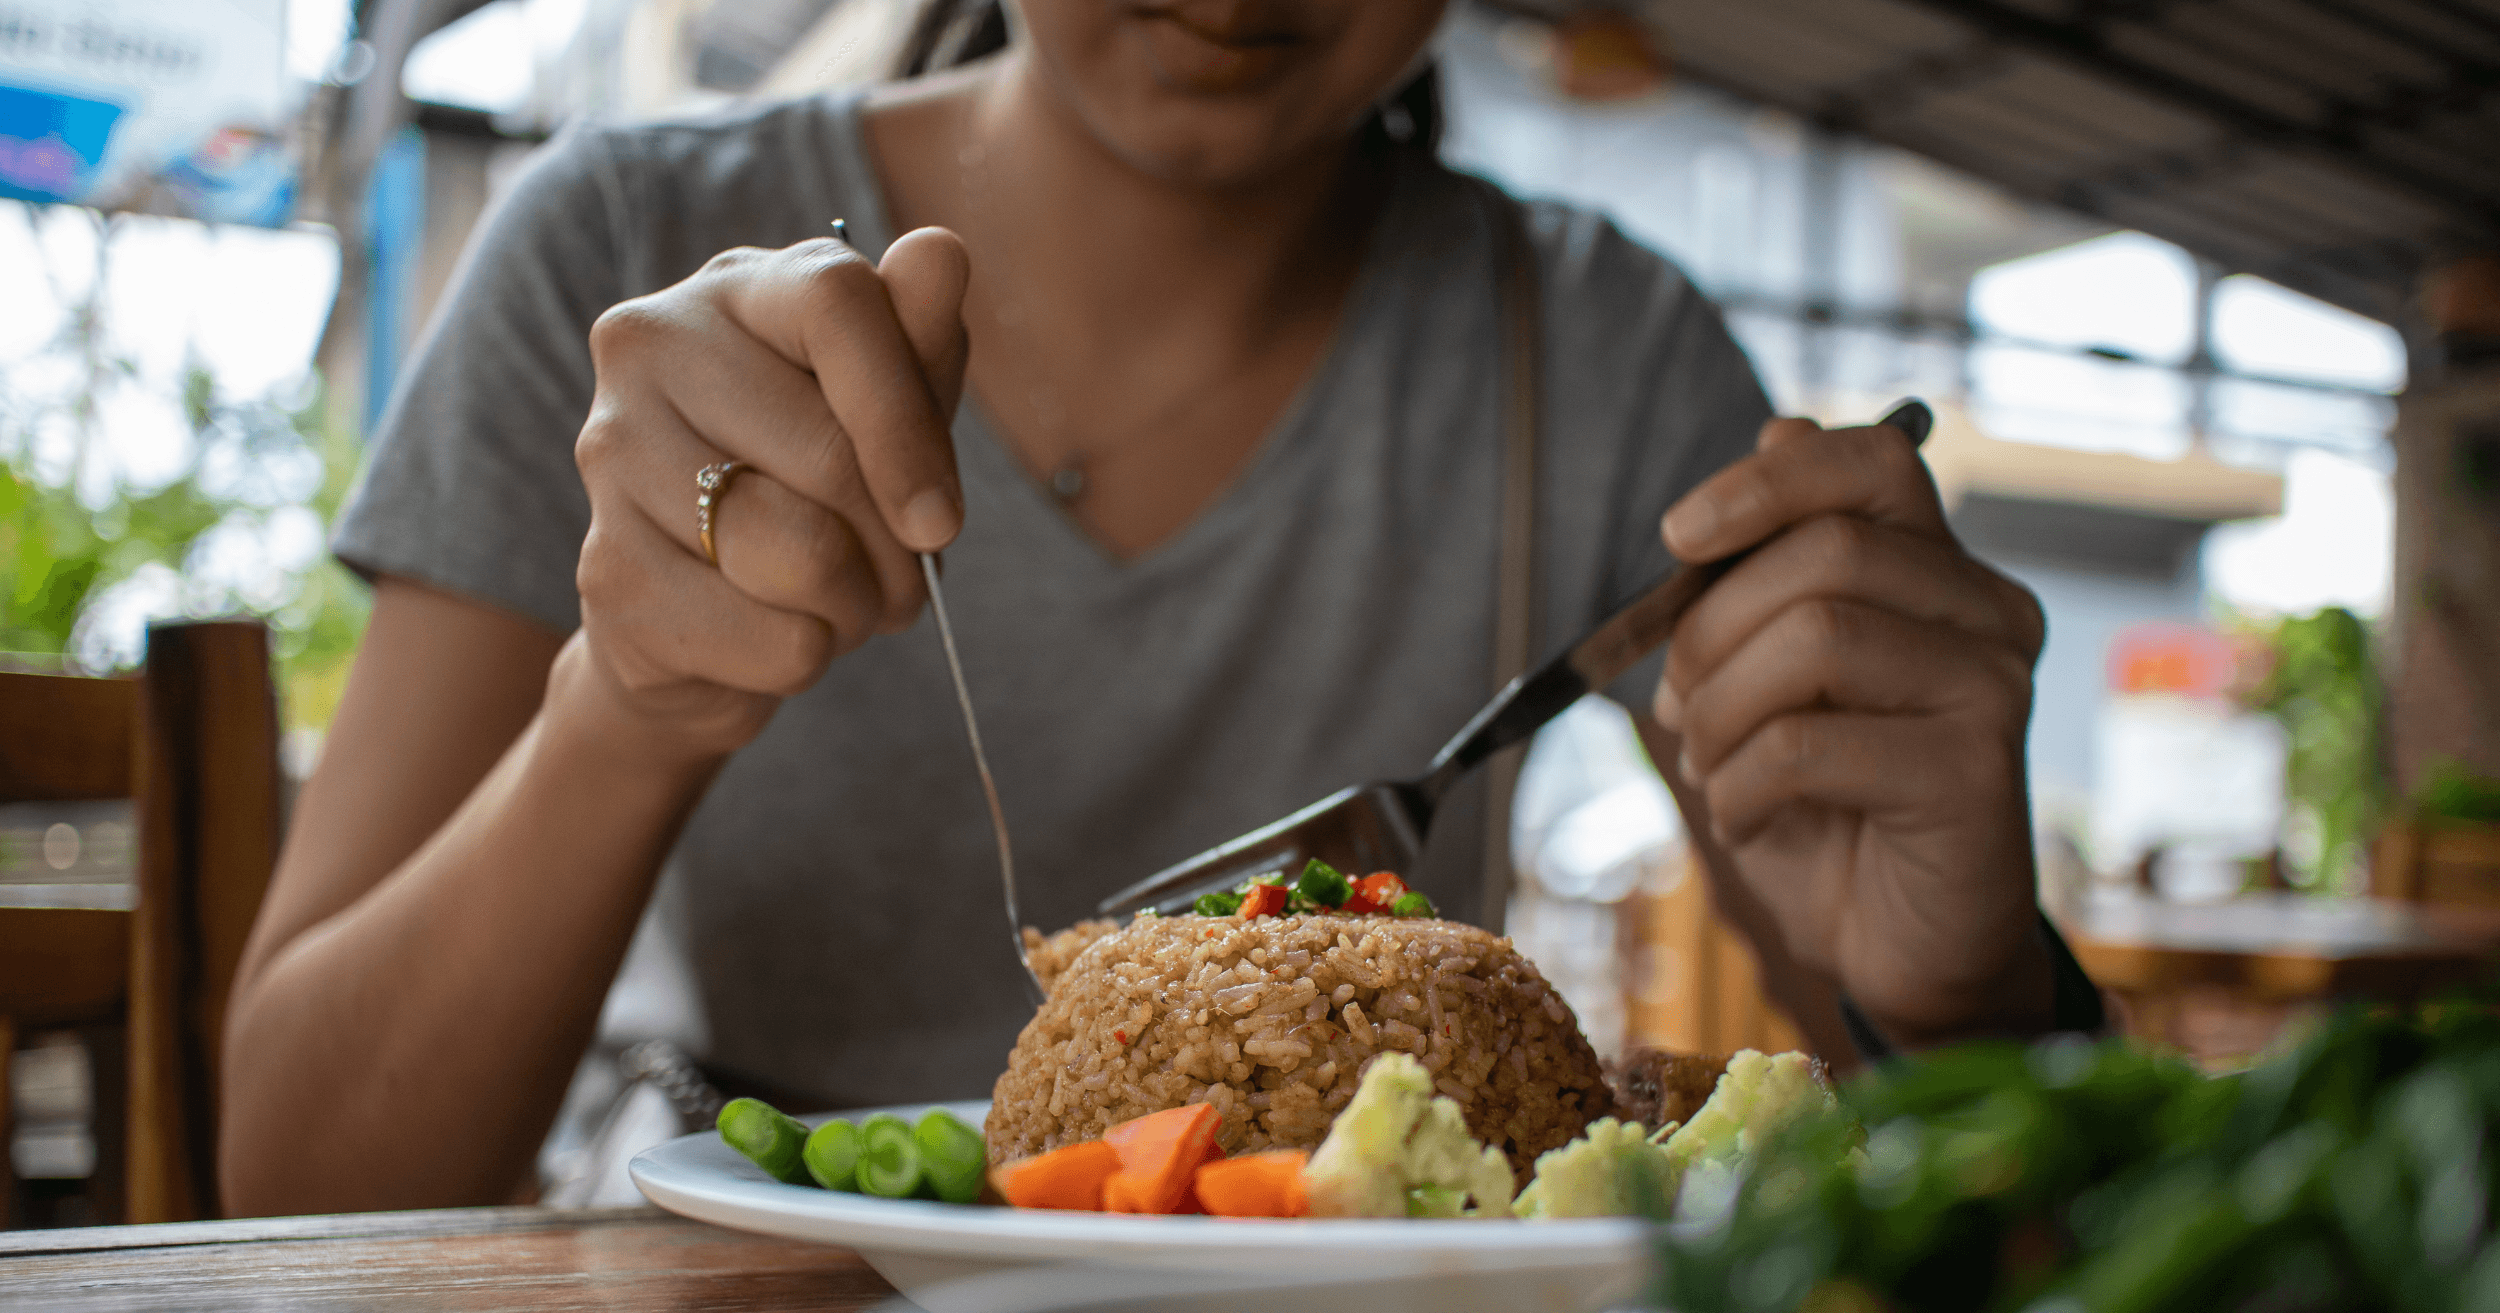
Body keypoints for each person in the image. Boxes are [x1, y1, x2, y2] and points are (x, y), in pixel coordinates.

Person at [219, 0, 2058, 1216]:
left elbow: (2030, 1219)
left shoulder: (1601, 353)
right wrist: (627, 703)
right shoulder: (620, 255)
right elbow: (295, 1192)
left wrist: (1959, 974)